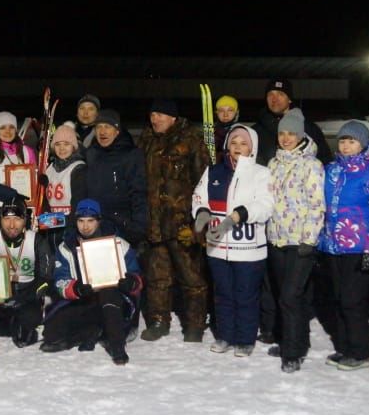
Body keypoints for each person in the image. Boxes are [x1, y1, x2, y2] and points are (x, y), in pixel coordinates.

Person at [192, 124, 271, 357]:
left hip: (248, 249)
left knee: (245, 295)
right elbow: (199, 196)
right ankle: (225, 336)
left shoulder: (261, 173)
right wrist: (201, 213)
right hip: (217, 248)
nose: (238, 147)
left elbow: (266, 205)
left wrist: (243, 213)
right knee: (223, 294)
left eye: (243, 143)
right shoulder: (214, 171)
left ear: (252, 148)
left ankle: (245, 339)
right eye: (234, 142)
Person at [317, 120, 369, 371]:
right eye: (343, 140)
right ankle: (345, 348)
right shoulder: (331, 170)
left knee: (352, 300)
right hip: (332, 246)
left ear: (363, 143)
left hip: (358, 247)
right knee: (338, 298)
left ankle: (360, 353)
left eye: (352, 141)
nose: (346, 146)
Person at [138, 98, 210, 343]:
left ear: (173, 117)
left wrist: (197, 225)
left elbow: (204, 182)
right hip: (154, 224)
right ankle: (159, 320)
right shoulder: (146, 141)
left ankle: (195, 324)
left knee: (192, 279)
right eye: (152, 114)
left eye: (160, 114)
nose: (154, 119)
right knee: (158, 277)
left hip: (182, 224)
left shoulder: (191, 140)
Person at [41, 199, 142, 365]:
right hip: (84, 299)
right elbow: (59, 281)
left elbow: (137, 275)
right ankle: (93, 330)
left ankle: (117, 345)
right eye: (81, 221)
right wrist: (75, 288)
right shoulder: (66, 247)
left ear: (99, 221)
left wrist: (131, 282)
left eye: (90, 221)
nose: (85, 226)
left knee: (108, 295)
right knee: (52, 335)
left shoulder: (118, 244)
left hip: (115, 302)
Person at [263, 106, 326, 369]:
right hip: (277, 239)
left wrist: (308, 240)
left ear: (301, 135)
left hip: (300, 242)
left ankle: (292, 353)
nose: (286, 138)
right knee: (287, 297)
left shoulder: (312, 165)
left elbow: (317, 205)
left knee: (290, 296)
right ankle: (297, 341)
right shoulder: (274, 163)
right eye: (282, 133)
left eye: (292, 133)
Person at [0, 197, 53, 347]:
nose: (12, 225)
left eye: (17, 219)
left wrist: (25, 298)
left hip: (25, 293)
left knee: (27, 327)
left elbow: (46, 277)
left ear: (25, 219)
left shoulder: (37, 241)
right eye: (7, 219)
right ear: (0, 219)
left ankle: (21, 325)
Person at [83, 109, 148, 249]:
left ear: (117, 131)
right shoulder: (91, 154)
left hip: (123, 227)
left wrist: (138, 226)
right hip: (96, 226)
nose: (102, 131)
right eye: (99, 127)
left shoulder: (131, 155)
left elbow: (139, 192)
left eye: (107, 126)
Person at [253, 79, 332, 166]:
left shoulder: (309, 128)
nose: (274, 99)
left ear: (290, 99)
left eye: (280, 94)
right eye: (270, 94)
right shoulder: (256, 131)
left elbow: (326, 160)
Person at [39, 122, 88, 250]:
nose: (62, 148)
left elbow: (78, 204)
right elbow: (45, 201)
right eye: (58, 144)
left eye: (66, 144)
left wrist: (57, 222)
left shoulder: (78, 169)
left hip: (69, 227)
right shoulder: (50, 167)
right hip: (51, 226)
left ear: (73, 147)